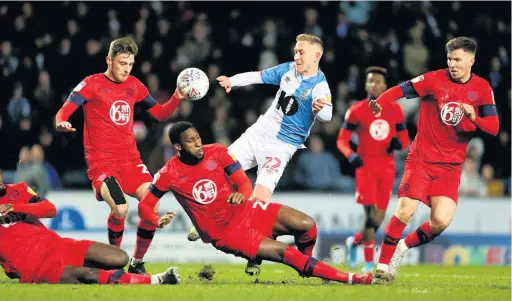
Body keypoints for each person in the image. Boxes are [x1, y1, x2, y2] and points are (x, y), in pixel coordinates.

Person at [138, 122, 372, 285]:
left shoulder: (217, 152)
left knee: (307, 225)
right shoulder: (168, 173)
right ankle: (349, 278)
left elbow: (245, 184)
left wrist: (241, 193)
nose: (198, 143)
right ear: (178, 147)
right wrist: (156, 220)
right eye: (190, 141)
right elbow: (145, 205)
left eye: (198, 137)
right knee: (286, 253)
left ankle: (306, 268)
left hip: (246, 210)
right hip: (226, 233)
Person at [189, 33, 333, 276]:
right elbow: (259, 76)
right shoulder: (287, 70)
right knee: (219, 169)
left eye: (301, 52)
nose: (296, 56)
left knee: (260, 198)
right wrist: (232, 81)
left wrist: (322, 109)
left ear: (316, 56)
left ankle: (254, 254)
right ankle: (207, 218)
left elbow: (328, 114)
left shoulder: (320, 85)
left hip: (282, 146)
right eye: (296, 51)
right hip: (258, 132)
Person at [368, 37, 499, 284]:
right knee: (405, 210)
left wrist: (474, 118)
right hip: (422, 159)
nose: (452, 64)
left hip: (451, 166)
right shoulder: (433, 79)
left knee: (441, 221)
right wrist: (381, 103)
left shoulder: (482, 89)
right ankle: (383, 265)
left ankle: (402, 248)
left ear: (471, 60)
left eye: (458, 59)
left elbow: (493, 127)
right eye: (450, 59)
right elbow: (401, 89)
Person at [54, 37, 186, 274]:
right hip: (102, 164)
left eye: (130, 64)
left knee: (150, 203)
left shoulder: (134, 85)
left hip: (131, 162)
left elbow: (161, 114)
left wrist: (177, 96)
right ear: (109, 60)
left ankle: (136, 263)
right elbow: (65, 109)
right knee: (121, 210)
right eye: (122, 62)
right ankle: (112, 262)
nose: (126, 68)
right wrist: (61, 121)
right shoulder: (92, 84)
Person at [0, 170, 180, 285]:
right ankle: (156, 280)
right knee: (87, 274)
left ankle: (111, 276)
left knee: (120, 258)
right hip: (34, 266)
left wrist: (16, 207)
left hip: (57, 245)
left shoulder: (19, 190)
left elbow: (50, 209)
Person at [337, 67, 409, 272]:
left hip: (387, 169)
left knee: (378, 219)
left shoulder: (395, 110)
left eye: (379, 82)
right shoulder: (356, 110)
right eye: (371, 81)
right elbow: (341, 140)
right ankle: (369, 264)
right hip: (365, 168)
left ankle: (354, 242)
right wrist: (351, 155)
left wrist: (398, 144)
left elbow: (404, 140)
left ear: (385, 86)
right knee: (369, 217)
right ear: (366, 84)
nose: (375, 85)